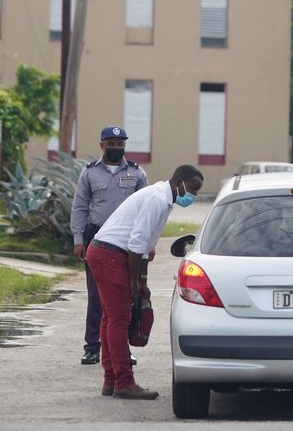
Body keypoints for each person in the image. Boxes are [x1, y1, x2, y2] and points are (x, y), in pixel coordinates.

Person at [86, 164, 203, 400]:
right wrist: (133, 283)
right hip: (110, 254)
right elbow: (136, 244)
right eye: (192, 189)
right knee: (120, 319)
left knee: (111, 317)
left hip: (105, 252)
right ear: (178, 181)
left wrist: (142, 282)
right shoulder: (157, 199)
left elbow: (146, 250)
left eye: (197, 192)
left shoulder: (163, 199)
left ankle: (111, 380)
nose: (193, 196)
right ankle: (124, 382)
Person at [70, 126, 147, 366]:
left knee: (126, 295)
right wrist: (78, 240)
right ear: (102, 145)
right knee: (97, 295)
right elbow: (80, 207)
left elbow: (147, 209)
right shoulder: (90, 173)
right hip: (97, 236)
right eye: (111, 144)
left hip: (128, 239)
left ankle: (122, 348)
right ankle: (92, 347)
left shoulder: (136, 173)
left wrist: (147, 245)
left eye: (120, 143)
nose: (116, 148)